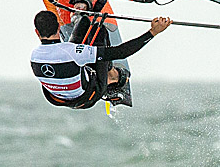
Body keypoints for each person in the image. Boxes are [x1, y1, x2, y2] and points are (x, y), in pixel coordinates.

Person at [30, 8, 171, 109]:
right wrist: (152, 32)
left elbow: (67, 52)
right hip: (88, 97)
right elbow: (120, 52)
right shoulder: (72, 52)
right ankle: (113, 80)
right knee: (99, 30)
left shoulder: (34, 56)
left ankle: (81, 16)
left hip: (58, 100)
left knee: (84, 23)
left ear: (37, 32)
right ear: (59, 27)